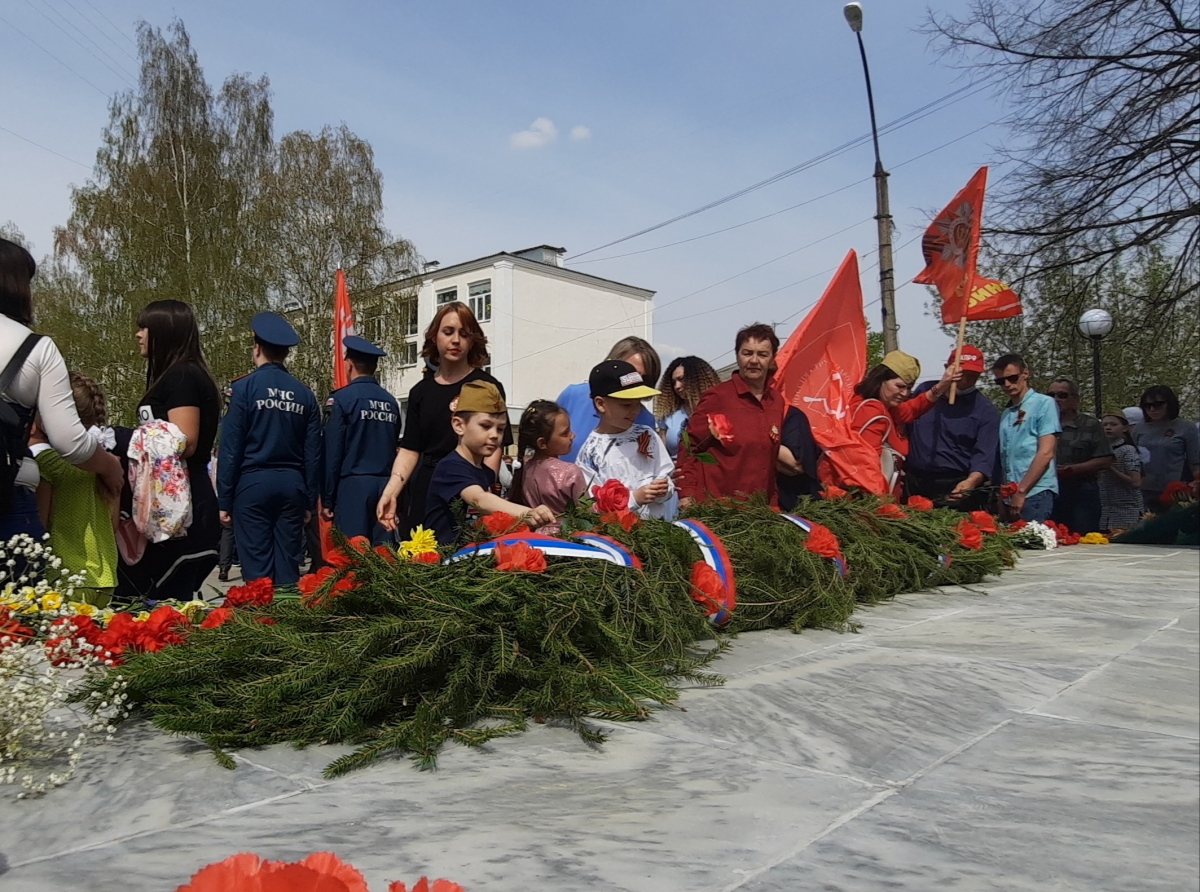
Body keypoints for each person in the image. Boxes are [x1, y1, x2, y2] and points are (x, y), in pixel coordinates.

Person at [0, 238, 122, 539]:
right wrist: (109, 467)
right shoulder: (36, 348)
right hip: (8, 495)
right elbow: (70, 442)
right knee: (19, 584)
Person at [377, 302, 510, 536]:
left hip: (468, 483)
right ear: (434, 337)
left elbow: (495, 443)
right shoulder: (421, 391)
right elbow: (410, 449)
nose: (456, 340)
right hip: (425, 486)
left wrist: (483, 486)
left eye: (464, 334)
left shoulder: (487, 386)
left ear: (473, 340)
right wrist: (392, 490)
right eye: (448, 332)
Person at [119, 299, 222, 601]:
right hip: (164, 512)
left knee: (170, 609)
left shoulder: (184, 376)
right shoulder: (170, 376)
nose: (138, 335)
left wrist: (122, 439)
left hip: (185, 512)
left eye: (144, 328)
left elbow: (185, 441)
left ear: (166, 331)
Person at [217, 313, 321, 586]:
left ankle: (262, 621)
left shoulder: (242, 389)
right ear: (286, 353)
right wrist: (310, 501)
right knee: (288, 565)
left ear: (257, 348)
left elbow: (230, 449)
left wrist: (224, 501)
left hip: (252, 484)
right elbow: (313, 454)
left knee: (257, 571)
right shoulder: (304, 394)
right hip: (292, 485)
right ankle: (288, 620)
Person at [424, 380, 554, 546]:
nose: (494, 435)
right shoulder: (451, 467)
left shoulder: (484, 471)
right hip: (442, 559)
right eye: (485, 426)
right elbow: (480, 500)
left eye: (500, 429)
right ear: (459, 425)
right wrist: (528, 513)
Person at [29, 373, 118, 606]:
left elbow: (42, 523)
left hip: (65, 574)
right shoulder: (107, 465)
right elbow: (114, 523)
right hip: (105, 576)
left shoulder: (48, 463)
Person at [677, 323, 788, 506]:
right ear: (737, 355)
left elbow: (769, 459)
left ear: (772, 359)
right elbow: (689, 444)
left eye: (762, 354)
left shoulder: (776, 401)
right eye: (747, 353)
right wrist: (686, 493)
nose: (754, 360)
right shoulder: (718, 397)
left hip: (760, 509)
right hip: (717, 506)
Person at [845, 350, 961, 497]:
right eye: (900, 386)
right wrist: (883, 509)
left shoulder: (888, 407)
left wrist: (943, 384)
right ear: (881, 380)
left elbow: (914, 408)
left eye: (909, 388)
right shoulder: (871, 411)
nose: (905, 393)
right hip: (867, 500)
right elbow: (867, 467)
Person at [321, 335, 402, 545]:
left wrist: (327, 498)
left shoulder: (341, 399)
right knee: (384, 557)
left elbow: (333, 452)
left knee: (352, 556)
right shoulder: (391, 402)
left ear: (349, 364)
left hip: (353, 486)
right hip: (386, 485)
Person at [575, 360, 678, 520]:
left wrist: (663, 491)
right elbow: (593, 506)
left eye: (638, 404)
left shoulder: (647, 435)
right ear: (601, 404)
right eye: (626, 405)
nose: (635, 411)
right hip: (618, 535)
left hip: (657, 530)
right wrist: (634, 499)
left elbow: (666, 475)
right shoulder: (591, 451)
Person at [906, 344, 1000, 511]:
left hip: (954, 485)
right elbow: (905, 425)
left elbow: (984, 455)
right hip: (913, 481)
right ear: (947, 368)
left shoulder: (986, 411)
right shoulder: (925, 391)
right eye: (962, 372)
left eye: (973, 374)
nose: (966, 378)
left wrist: (971, 482)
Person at [556, 337, 660, 464]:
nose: (634, 380)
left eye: (642, 377)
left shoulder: (645, 420)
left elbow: (648, 465)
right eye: (628, 371)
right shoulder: (573, 396)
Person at [993, 353, 1060, 522]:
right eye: (1000, 381)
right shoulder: (1006, 414)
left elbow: (1046, 452)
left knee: (1032, 545)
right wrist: (1003, 495)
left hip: (1035, 491)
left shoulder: (1044, 403)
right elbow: (1005, 457)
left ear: (1025, 374)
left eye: (1012, 378)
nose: (1007, 384)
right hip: (1010, 493)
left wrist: (1022, 491)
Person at [1047, 376, 1112, 533]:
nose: (1056, 399)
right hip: (1048, 491)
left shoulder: (1090, 424)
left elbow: (1105, 459)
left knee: (1084, 539)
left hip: (1082, 492)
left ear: (1075, 399)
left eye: (1062, 395)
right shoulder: (1041, 424)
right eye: (1051, 395)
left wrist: (1074, 469)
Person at [511, 400, 586, 535]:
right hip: (567, 539)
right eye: (565, 433)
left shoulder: (524, 468)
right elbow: (587, 514)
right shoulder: (570, 472)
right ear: (542, 443)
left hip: (534, 538)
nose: (573, 435)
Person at [1133, 384, 1200, 510]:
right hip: (1143, 488)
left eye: (1158, 404)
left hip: (1175, 490)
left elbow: (1195, 462)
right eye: (1147, 406)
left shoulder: (1186, 427)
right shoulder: (1139, 428)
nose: (1152, 409)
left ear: (1170, 404)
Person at [654, 356, 721, 461]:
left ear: (698, 379)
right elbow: (662, 456)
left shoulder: (719, 411)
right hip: (676, 473)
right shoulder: (668, 415)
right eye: (673, 382)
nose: (677, 386)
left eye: (681, 379)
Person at [1098, 411, 1143, 534]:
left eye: (1113, 424)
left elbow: (1136, 482)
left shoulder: (1127, 450)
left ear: (1125, 428)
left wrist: (1110, 468)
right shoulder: (1101, 450)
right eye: (1105, 425)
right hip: (1106, 510)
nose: (1108, 427)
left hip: (1126, 510)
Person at [776, 405, 822, 511]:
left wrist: (757, 439)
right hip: (743, 498)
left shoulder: (790, 414)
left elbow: (796, 465)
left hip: (793, 502)